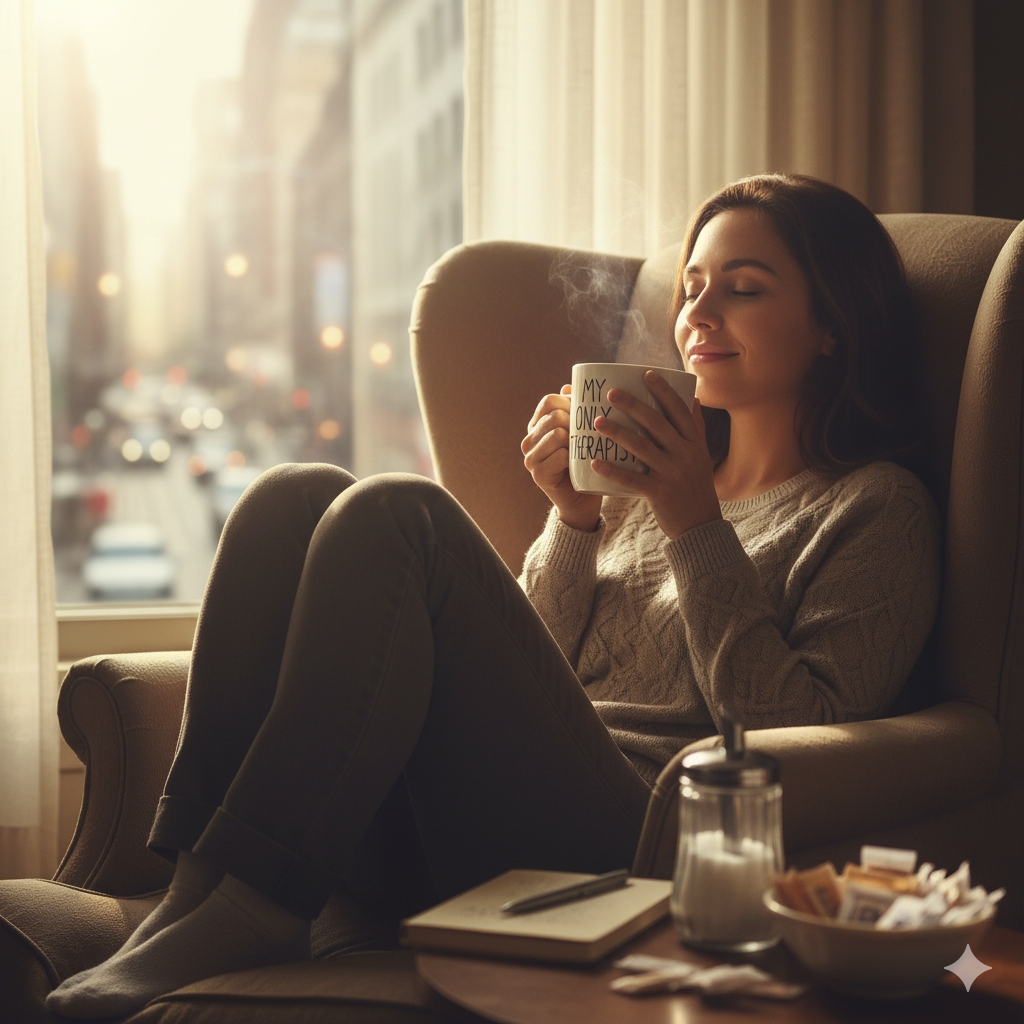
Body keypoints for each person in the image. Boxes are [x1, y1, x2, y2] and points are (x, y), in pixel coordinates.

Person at [47, 173, 940, 1019]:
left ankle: (254, 905)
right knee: (293, 496)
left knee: (404, 512)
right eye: (693, 287)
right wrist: (576, 521)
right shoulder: (651, 483)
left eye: (742, 288)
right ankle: (206, 890)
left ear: (834, 323)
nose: (698, 314)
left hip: (628, 858)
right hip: (468, 825)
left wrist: (692, 521)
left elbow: (783, 743)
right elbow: (535, 668)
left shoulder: (873, 507)